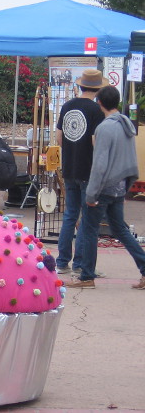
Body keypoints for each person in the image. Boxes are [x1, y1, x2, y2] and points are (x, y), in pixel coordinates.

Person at [67, 86, 145, 290]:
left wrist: (92, 193)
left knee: (90, 230)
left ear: (99, 102)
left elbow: (100, 164)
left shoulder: (104, 128)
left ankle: (86, 275)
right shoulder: (126, 123)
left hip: (104, 187)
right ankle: (144, 268)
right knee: (120, 229)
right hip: (120, 186)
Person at [55, 69, 107, 275]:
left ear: (80, 85)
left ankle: (61, 261)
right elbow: (96, 140)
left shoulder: (67, 106)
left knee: (69, 215)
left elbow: (59, 137)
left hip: (69, 166)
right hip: (88, 168)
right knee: (86, 217)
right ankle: (79, 263)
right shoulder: (96, 111)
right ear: (97, 89)